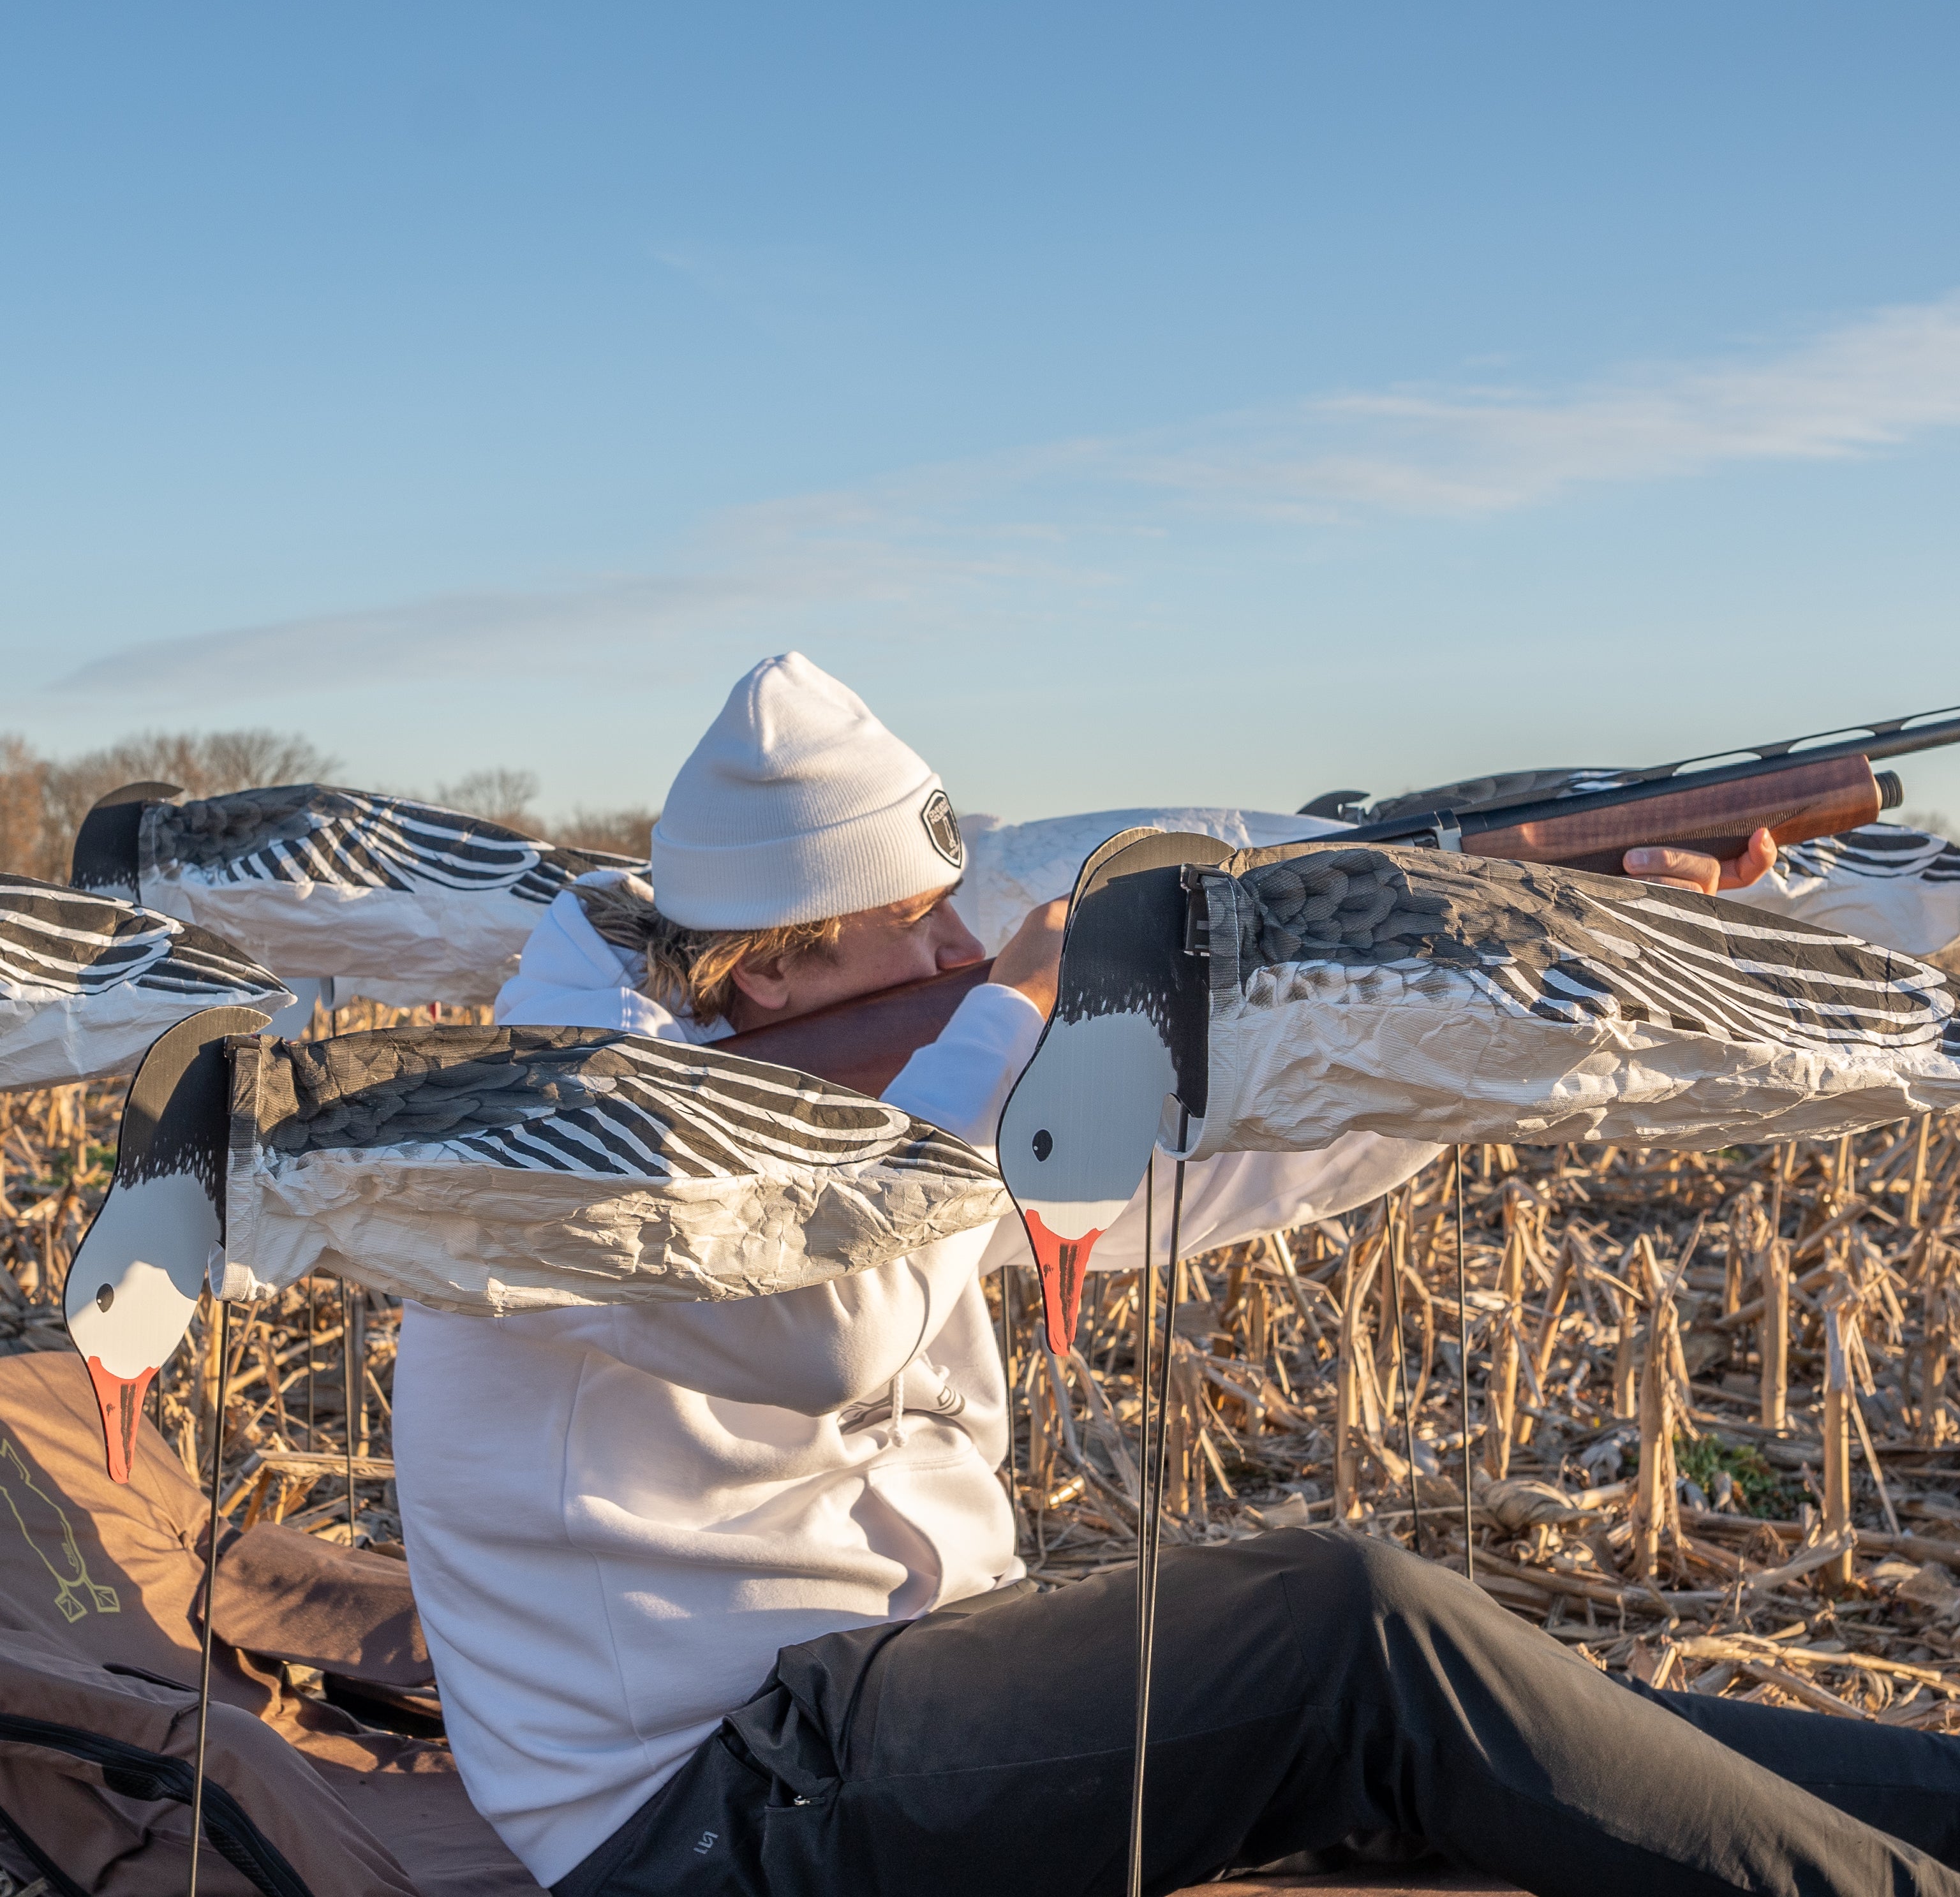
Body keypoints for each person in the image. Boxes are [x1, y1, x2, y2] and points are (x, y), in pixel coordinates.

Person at [393, 653, 1957, 1897]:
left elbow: (1182, 1182)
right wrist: (1000, 1029)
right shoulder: (561, 1146)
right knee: (1355, 1632)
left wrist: (1537, 964)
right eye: (912, 931)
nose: (958, 955)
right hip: (708, 1816)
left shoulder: (815, 1091)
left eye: (958, 923)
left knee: (1564, 1731)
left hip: (883, 1703)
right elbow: (835, 1332)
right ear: (778, 967)